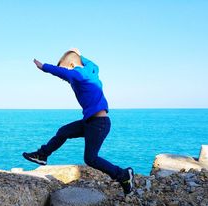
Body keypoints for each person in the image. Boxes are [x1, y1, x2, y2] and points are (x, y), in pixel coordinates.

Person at [23, 48, 135, 195]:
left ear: (70, 65)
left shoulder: (78, 74)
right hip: (90, 122)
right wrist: (80, 55)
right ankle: (42, 155)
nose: (65, 79)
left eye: (64, 71)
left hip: (98, 124)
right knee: (64, 131)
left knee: (90, 158)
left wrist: (44, 67)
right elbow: (90, 63)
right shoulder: (91, 69)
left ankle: (123, 175)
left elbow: (63, 73)